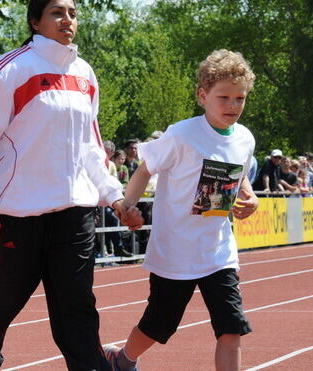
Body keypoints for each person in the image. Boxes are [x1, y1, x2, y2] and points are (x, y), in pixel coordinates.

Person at [0, 0, 142, 371]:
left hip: (75, 214)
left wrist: (115, 198)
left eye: (72, 12)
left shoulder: (84, 74)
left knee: (78, 309)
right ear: (35, 21)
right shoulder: (13, 68)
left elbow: (90, 146)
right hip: (22, 213)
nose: (68, 20)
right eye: (57, 13)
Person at [104, 49, 260, 371]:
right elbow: (146, 170)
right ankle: (123, 359)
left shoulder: (244, 138)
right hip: (176, 252)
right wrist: (127, 206)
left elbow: (241, 175)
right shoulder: (182, 134)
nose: (233, 106)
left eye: (240, 98)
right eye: (224, 97)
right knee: (159, 326)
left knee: (231, 327)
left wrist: (251, 197)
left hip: (218, 252)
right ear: (203, 95)